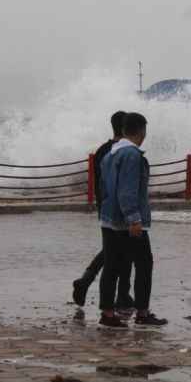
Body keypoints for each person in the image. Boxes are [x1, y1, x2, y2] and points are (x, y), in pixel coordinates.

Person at [99, 112, 167, 327]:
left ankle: (108, 314)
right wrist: (134, 219)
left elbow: (106, 188)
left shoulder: (110, 154)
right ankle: (142, 313)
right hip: (127, 223)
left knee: (111, 267)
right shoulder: (131, 155)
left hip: (109, 219)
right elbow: (127, 191)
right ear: (142, 130)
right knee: (144, 265)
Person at [72, 111, 135, 317]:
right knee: (121, 254)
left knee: (114, 251)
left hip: (105, 207)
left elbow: (99, 183)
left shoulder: (102, 150)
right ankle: (120, 297)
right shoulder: (121, 151)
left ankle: (87, 281)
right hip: (118, 210)